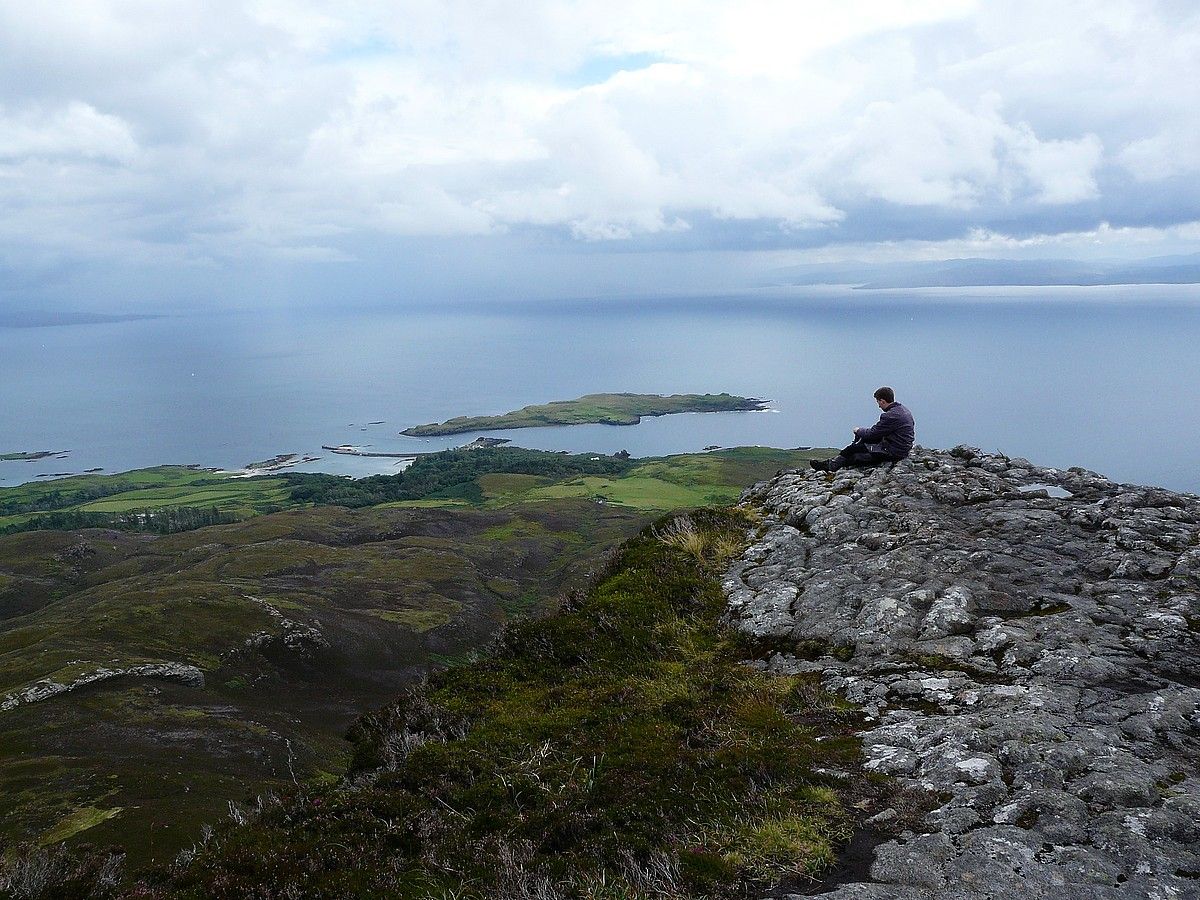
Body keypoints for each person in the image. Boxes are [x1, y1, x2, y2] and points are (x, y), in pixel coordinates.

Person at [810, 386, 915, 471]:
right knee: (863, 442)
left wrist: (858, 430)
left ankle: (831, 466)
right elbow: (878, 432)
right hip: (901, 447)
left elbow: (872, 433)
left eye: (878, 402)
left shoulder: (890, 415)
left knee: (855, 452)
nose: (878, 406)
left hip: (893, 451)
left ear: (882, 401)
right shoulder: (903, 410)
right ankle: (832, 463)